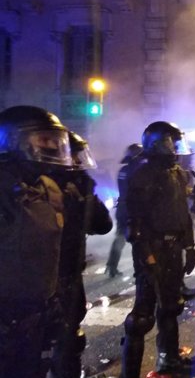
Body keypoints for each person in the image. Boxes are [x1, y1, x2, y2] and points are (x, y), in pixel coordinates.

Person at [120, 121, 195, 378]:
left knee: (171, 306)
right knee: (142, 315)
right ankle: (129, 372)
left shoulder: (176, 172)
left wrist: (188, 245)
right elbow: (134, 221)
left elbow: (183, 214)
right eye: (170, 142)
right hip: (152, 247)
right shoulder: (141, 172)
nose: (175, 148)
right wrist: (146, 255)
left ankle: (169, 358)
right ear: (157, 143)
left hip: (174, 247)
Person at [0, 105, 72, 378]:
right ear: (12, 140)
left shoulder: (48, 189)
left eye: (56, 140)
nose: (53, 146)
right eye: (44, 139)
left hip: (36, 314)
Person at [51, 132, 112, 378]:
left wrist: (86, 195)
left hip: (69, 275)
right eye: (73, 156)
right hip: (37, 281)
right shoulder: (35, 188)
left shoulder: (75, 187)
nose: (78, 161)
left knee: (71, 341)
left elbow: (102, 225)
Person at [106, 143, 143, 278]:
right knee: (138, 239)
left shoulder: (123, 170)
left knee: (120, 238)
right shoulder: (139, 170)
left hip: (122, 208)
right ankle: (140, 270)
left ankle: (111, 266)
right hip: (133, 209)